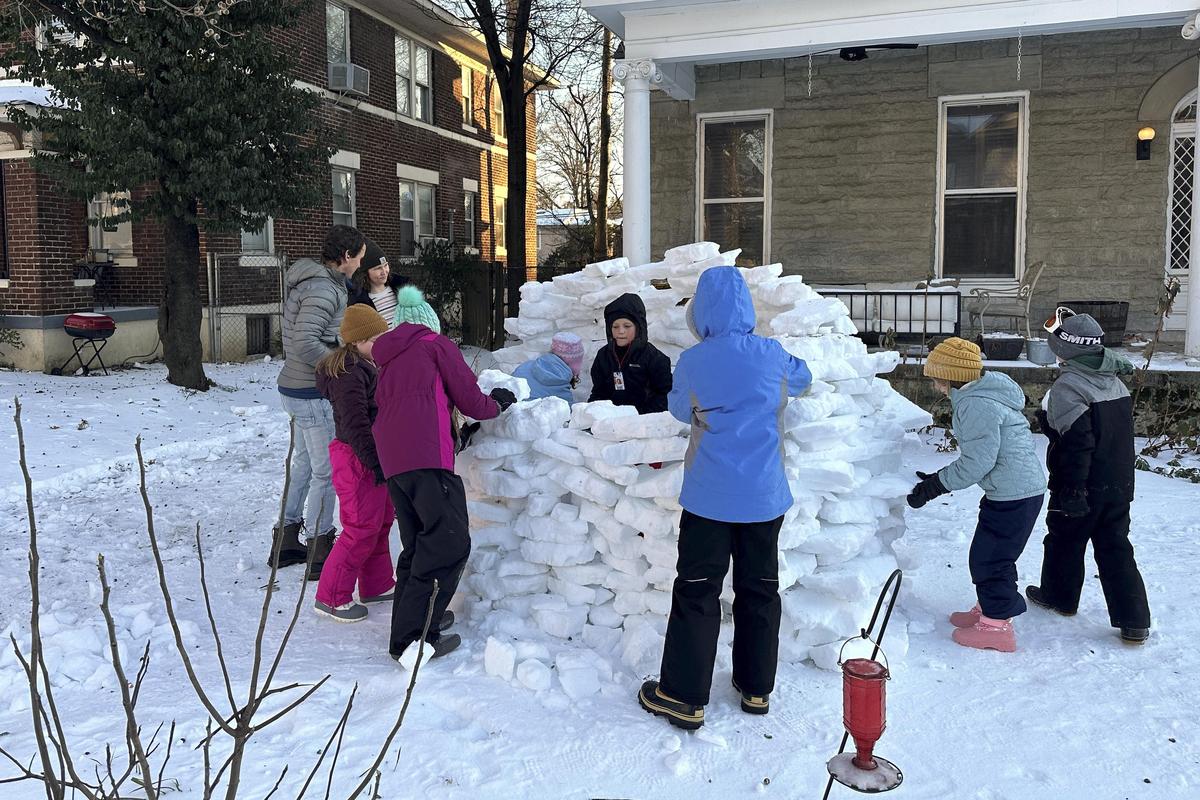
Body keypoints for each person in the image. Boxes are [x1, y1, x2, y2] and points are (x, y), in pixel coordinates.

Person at [638, 267, 811, 731]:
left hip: (709, 499)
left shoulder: (694, 360)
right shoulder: (772, 354)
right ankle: (756, 689)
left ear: (704, 312)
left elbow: (677, 409)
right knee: (759, 589)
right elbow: (804, 379)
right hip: (763, 498)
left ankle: (683, 696)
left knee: (698, 592)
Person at [372, 286, 517, 661]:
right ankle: (417, 639)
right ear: (429, 323)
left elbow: (412, 406)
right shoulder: (434, 344)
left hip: (395, 464)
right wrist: (496, 404)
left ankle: (408, 631)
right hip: (426, 460)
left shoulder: (388, 360)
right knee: (448, 545)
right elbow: (470, 399)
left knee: (419, 546)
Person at [906, 337, 1046, 653]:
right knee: (990, 555)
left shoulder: (974, 404)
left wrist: (934, 487)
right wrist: (937, 478)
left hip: (1013, 494)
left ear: (951, 376)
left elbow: (978, 461)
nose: (935, 384)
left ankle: (997, 627)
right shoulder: (982, 392)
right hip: (1012, 492)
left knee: (990, 560)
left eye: (936, 377)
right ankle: (990, 607)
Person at [1027, 308, 1151, 644]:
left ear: (1066, 350)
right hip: (1118, 483)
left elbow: (1077, 445)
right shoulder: (1114, 380)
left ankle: (1059, 597)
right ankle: (1134, 620)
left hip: (1082, 484)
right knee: (1115, 547)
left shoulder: (1070, 386)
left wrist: (1071, 490)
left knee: (1063, 541)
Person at [272, 224, 366, 578]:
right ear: (345, 257)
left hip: (297, 389)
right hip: (311, 393)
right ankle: (319, 548)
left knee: (304, 465)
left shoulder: (319, 284)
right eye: (358, 257)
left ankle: (286, 541)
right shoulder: (323, 290)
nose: (359, 263)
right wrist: (339, 366)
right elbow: (304, 342)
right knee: (326, 471)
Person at [312, 305, 396, 622]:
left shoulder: (368, 364)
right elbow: (355, 425)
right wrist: (375, 464)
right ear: (356, 342)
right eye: (375, 339)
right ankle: (331, 597)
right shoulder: (348, 374)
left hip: (372, 456)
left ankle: (376, 584)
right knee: (360, 528)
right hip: (357, 458)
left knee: (381, 521)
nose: (381, 343)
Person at [588, 293, 672, 414]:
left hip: (644, 422)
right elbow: (599, 392)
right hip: (610, 423)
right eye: (615, 326)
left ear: (639, 327)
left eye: (627, 326)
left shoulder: (654, 358)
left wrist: (637, 417)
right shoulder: (604, 356)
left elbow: (665, 395)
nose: (620, 331)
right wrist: (592, 414)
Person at [347, 237, 408, 326]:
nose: (384, 271)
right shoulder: (359, 302)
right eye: (378, 268)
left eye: (386, 265)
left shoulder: (403, 288)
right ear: (365, 273)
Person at [513, 332, 585, 404]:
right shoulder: (562, 392)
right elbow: (568, 412)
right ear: (574, 364)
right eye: (578, 361)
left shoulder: (524, 366)